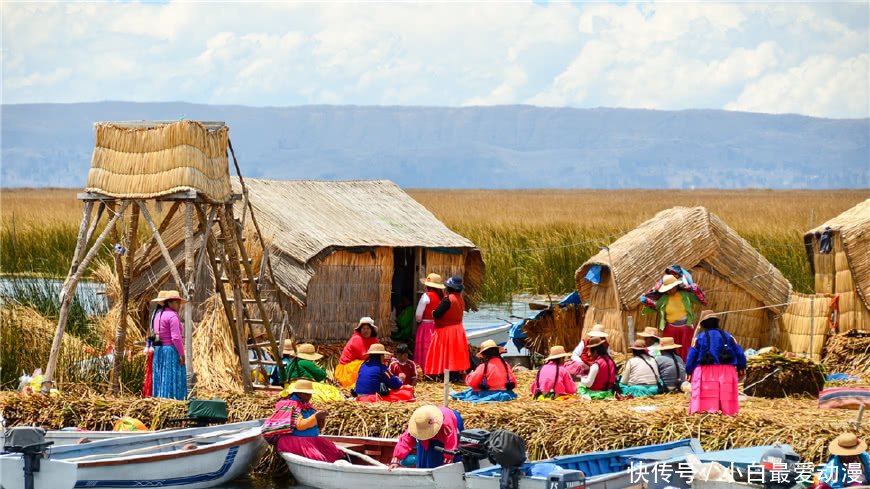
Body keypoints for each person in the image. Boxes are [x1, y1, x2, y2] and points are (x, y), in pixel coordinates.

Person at [262, 380, 345, 463]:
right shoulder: (291, 405)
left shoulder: (307, 406)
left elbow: (318, 427)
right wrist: (315, 417)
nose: (309, 397)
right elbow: (300, 426)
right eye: (306, 394)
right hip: (296, 441)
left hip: (312, 440)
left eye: (310, 394)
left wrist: (321, 419)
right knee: (318, 458)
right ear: (299, 393)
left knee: (335, 454)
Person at [686, 310, 746, 416]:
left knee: (706, 395)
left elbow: (692, 356)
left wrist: (689, 371)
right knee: (725, 395)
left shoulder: (699, 338)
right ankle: (727, 413)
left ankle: (705, 412)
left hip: (705, 372)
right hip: (727, 371)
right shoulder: (728, 336)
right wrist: (742, 367)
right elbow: (739, 352)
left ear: (703, 324)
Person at [640, 268, 707, 361]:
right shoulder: (664, 298)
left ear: (676, 286)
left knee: (686, 350)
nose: (669, 291)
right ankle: (670, 366)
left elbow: (701, 300)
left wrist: (696, 290)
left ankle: (685, 369)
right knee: (668, 349)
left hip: (685, 328)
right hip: (670, 328)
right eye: (667, 289)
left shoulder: (686, 295)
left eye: (671, 288)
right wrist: (647, 302)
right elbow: (656, 307)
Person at [390, 405, 464, 469]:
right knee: (425, 459)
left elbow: (451, 442)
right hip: (430, 432)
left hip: (449, 428)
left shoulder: (446, 424)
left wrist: (448, 460)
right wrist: (396, 460)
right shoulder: (418, 423)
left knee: (451, 461)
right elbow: (405, 441)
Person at [426, 275, 471, 376]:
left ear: (449, 288)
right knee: (455, 354)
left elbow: (437, 314)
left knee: (446, 354)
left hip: (446, 331)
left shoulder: (448, 299)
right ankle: (455, 375)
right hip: (458, 330)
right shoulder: (460, 299)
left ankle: (444, 375)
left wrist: (433, 312)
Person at [452, 340, 517, 403]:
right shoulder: (505, 364)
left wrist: (469, 375)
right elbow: (513, 382)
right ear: (497, 352)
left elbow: (471, 382)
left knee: (465, 394)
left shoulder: (483, 366)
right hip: (506, 393)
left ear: (484, 355)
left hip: (489, 394)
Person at [151, 290, 187, 400]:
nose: (179, 305)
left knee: (162, 376)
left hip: (159, 351)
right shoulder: (172, 316)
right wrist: (181, 354)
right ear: (169, 303)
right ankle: (174, 399)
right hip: (171, 351)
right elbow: (176, 338)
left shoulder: (157, 315)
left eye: (179, 302)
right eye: (176, 302)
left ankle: (160, 399)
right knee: (173, 377)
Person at [335, 317, 380, 388]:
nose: (366, 331)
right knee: (368, 364)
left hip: (356, 365)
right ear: (360, 330)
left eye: (368, 328)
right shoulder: (357, 339)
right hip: (347, 369)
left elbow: (379, 351)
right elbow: (364, 356)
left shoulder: (373, 340)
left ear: (371, 330)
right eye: (363, 328)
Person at [415, 273, 446, 373]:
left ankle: (425, 370)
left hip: (426, 327)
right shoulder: (444, 297)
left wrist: (418, 322)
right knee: (437, 349)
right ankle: (437, 370)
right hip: (440, 327)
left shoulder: (426, 296)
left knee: (426, 349)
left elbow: (418, 315)